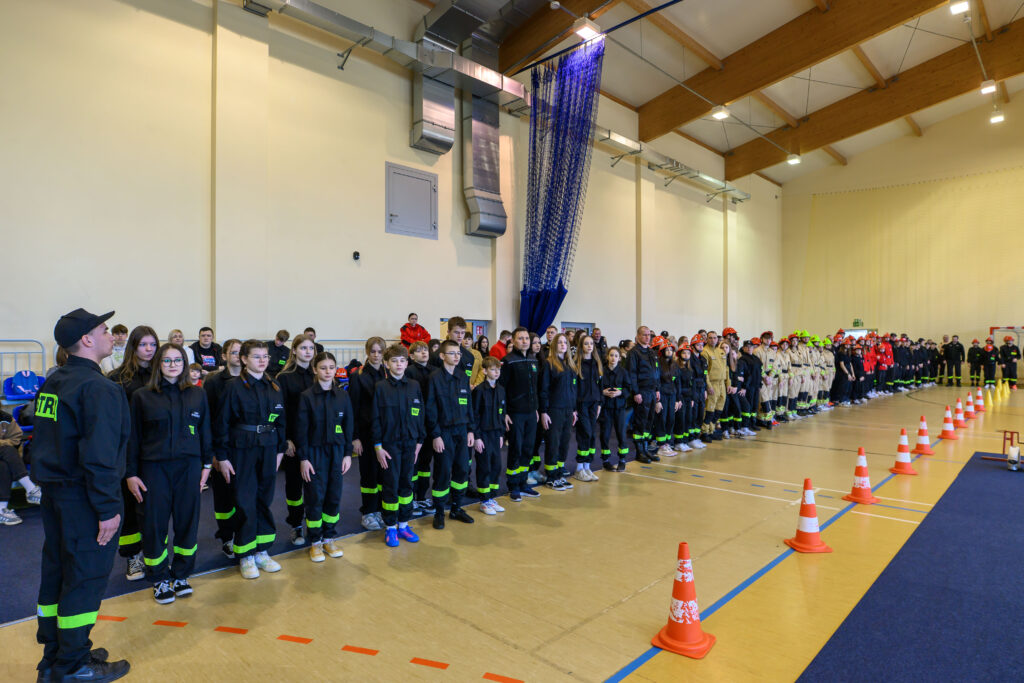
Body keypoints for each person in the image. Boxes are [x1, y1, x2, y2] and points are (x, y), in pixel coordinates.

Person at [34, 308, 131, 682]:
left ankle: (56, 654)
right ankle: (73, 666)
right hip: (86, 499)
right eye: (104, 330)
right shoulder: (99, 388)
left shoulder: (54, 382)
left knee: (57, 572)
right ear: (87, 340)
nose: (111, 335)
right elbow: (100, 457)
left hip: (55, 495)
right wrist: (107, 509)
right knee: (85, 577)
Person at [125, 343, 212, 605]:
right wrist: (130, 473)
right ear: (158, 365)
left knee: (187, 522)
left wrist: (207, 466)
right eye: (167, 360)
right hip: (154, 469)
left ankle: (182, 574)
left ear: (185, 364)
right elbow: (133, 438)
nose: (173, 365)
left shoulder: (197, 395)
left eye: (178, 360)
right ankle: (160, 578)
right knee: (154, 525)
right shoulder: (142, 396)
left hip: (189, 468)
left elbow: (205, 432)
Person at [214, 340, 287, 579]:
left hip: (268, 448)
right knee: (245, 499)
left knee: (264, 499)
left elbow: (280, 422)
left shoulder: (274, 385)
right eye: (257, 357)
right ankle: (245, 554)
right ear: (244, 359)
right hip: (242, 448)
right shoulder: (233, 387)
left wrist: (279, 451)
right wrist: (222, 457)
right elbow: (222, 424)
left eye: (265, 356)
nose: (263, 360)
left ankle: (262, 550)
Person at [108, 325, 158, 582]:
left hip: (157, 452)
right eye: (143, 345)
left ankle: (156, 555)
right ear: (133, 347)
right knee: (129, 506)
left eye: (153, 345)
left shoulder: (162, 375)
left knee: (156, 507)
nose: (148, 350)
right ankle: (133, 557)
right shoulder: (117, 378)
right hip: (127, 450)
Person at [295, 352, 353, 562]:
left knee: (333, 496)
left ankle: (329, 537)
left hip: (337, 453)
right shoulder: (307, 396)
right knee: (315, 497)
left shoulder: (343, 396)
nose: (328, 371)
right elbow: (301, 431)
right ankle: (315, 542)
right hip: (314, 453)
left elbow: (348, 426)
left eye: (331, 367)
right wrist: (304, 458)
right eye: (323, 368)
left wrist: (348, 453)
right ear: (315, 370)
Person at [371, 344, 425, 547]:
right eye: (394, 361)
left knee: (407, 485)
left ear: (407, 362)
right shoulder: (381, 387)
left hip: (411, 443)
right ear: (386, 364)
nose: (399, 364)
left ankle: (404, 524)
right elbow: (376, 418)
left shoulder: (414, 386)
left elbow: (420, 415)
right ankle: (391, 527)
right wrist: (378, 447)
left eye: (402, 360)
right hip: (390, 445)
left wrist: (419, 442)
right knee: (391, 486)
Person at [425, 340, 477, 528]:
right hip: (444, 433)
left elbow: (469, 406)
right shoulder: (434, 378)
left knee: (462, 470)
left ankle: (456, 507)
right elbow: (430, 409)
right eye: (452, 353)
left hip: (462, 431)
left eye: (458, 353)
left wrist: (471, 430)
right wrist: (436, 435)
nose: (457, 356)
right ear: (442, 356)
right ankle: (439, 511)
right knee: (442, 472)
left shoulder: (463, 377)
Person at [202, 339, 243, 557]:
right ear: (225, 356)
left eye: (241, 352)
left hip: (245, 449)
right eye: (233, 352)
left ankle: (244, 535)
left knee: (244, 496)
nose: (238, 356)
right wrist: (215, 453)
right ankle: (227, 538)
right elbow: (208, 419)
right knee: (224, 497)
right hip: (223, 448)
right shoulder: (214, 381)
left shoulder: (253, 380)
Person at [276, 334, 317, 545]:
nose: (307, 352)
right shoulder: (284, 377)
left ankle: (314, 522)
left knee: (314, 484)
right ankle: (296, 525)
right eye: (303, 348)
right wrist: (286, 440)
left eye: (311, 348)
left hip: (316, 440)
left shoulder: (318, 374)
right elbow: (280, 412)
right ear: (294, 350)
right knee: (294, 486)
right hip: (293, 441)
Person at [349, 337, 387, 531]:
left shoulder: (388, 373)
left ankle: (380, 509)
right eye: (373, 351)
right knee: (369, 475)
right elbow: (353, 408)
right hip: (365, 433)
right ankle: (368, 512)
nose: (376, 355)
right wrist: (354, 437)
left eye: (380, 351)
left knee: (383, 473)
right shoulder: (358, 376)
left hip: (384, 433)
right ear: (367, 352)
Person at [499, 327, 541, 502]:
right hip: (515, 413)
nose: (525, 341)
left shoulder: (533, 360)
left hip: (531, 413)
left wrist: (537, 409)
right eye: (520, 338)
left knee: (528, 448)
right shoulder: (507, 361)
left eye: (526, 338)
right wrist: (505, 412)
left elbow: (535, 389)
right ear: (513, 341)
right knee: (516, 448)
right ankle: (513, 485)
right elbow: (501, 389)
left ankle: (523, 482)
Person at [539, 333, 577, 491]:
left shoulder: (570, 365)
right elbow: (544, 390)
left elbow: (574, 389)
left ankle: (559, 472)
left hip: (568, 410)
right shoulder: (549, 364)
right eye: (560, 342)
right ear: (554, 345)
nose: (563, 345)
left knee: (564, 443)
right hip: (554, 410)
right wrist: (543, 412)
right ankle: (551, 476)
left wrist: (574, 410)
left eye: (565, 342)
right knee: (553, 443)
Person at [472, 357, 506, 514]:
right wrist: (477, 437)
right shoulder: (479, 391)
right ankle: (484, 500)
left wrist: (500, 434)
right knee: (484, 466)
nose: (496, 372)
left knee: (496, 465)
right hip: (483, 434)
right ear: (485, 371)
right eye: (493, 369)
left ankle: (492, 497)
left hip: (495, 434)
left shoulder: (501, 390)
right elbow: (475, 416)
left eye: (498, 369)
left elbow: (501, 413)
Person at [405, 341, 435, 515]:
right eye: (419, 351)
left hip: (429, 422)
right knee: (413, 464)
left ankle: (422, 497)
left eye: (425, 349)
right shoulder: (409, 371)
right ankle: (412, 499)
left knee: (425, 463)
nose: (424, 353)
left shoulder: (434, 371)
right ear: (411, 355)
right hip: (415, 423)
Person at [1, 410, 40, 525]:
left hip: (4, 456)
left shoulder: (5, 418)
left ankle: (1, 509)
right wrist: (4, 443)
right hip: (5, 451)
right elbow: (8, 444)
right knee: (7, 449)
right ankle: (31, 489)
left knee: (3, 465)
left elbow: (16, 439)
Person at [626, 326, 659, 462]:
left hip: (652, 391)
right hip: (642, 392)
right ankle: (639, 452)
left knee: (648, 422)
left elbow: (656, 373)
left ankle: (646, 450)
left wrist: (657, 389)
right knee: (640, 422)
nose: (647, 337)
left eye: (649, 335)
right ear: (638, 336)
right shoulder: (634, 353)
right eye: (644, 335)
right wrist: (636, 392)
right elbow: (631, 374)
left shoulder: (651, 352)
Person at [573, 334, 602, 481]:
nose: (589, 346)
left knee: (591, 435)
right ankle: (579, 468)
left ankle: (587, 466)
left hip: (594, 403)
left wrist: (599, 403)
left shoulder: (597, 363)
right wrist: (574, 408)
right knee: (585, 433)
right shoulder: (577, 363)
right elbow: (574, 387)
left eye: (591, 343)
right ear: (581, 346)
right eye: (586, 344)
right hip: (581, 404)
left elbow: (600, 384)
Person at [599, 347, 630, 470]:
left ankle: (622, 459)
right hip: (606, 407)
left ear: (619, 358)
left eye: (616, 356)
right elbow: (597, 388)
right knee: (605, 434)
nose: (613, 358)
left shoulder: (623, 372)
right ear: (607, 357)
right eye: (611, 355)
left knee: (621, 433)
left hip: (619, 407)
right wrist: (603, 392)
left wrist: (620, 393)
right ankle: (605, 460)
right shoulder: (601, 371)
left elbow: (628, 389)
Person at [653, 340, 681, 456]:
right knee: (662, 420)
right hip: (662, 395)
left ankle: (667, 443)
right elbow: (656, 381)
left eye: (671, 350)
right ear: (662, 351)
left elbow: (677, 383)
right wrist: (657, 401)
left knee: (671, 419)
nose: (669, 351)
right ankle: (661, 445)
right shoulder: (658, 364)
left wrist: (678, 399)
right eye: (667, 350)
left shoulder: (675, 365)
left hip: (672, 395)